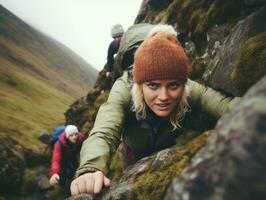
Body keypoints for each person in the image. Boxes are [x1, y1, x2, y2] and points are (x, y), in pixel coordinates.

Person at [70, 25, 240, 195]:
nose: (164, 96)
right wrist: (90, 169)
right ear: (140, 86)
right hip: (131, 154)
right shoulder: (123, 89)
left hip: (167, 147)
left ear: (182, 83)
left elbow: (224, 104)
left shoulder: (188, 88)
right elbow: (104, 131)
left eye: (173, 85)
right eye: (153, 85)